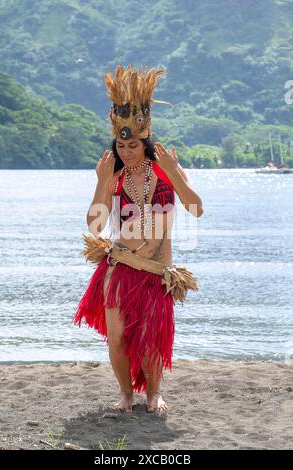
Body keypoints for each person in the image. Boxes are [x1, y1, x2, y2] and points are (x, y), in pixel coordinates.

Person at [74, 65, 204, 414]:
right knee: (116, 337)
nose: (127, 151)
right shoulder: (113, 175)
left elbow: (196, 208)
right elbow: (96, 226)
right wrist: (102, 182)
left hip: (154, 269)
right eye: (121, 144)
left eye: (133, 145)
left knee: (149, 341)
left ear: (145, 142)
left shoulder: (164, 170)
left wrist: (176, 174)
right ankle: (126, 395)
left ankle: (154, 394)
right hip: (118, 266)